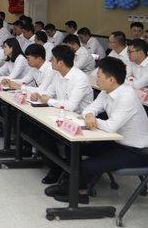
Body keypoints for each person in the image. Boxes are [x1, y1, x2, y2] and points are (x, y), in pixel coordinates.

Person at [45, 57, 148, 205]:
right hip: (118, 143)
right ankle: (75, 187)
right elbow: (89, 109)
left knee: (88, 165)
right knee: (72, 147)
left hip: (138, 152)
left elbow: (110, 127)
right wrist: (90, 115)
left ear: (111, 80)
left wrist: (95, 121)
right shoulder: (106, 92)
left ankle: (76, 192)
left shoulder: (127, 96)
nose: (96, 79)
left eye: (99, 76)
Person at [32, 45, 93, 113]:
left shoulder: (80, 79)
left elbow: (71, 106)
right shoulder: (58, 74)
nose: (51, 62)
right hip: (60, 112)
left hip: (77, 116)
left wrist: (49, 101)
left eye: (53, 60)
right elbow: (50, 92)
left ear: (60, 63)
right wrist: (38, 95)